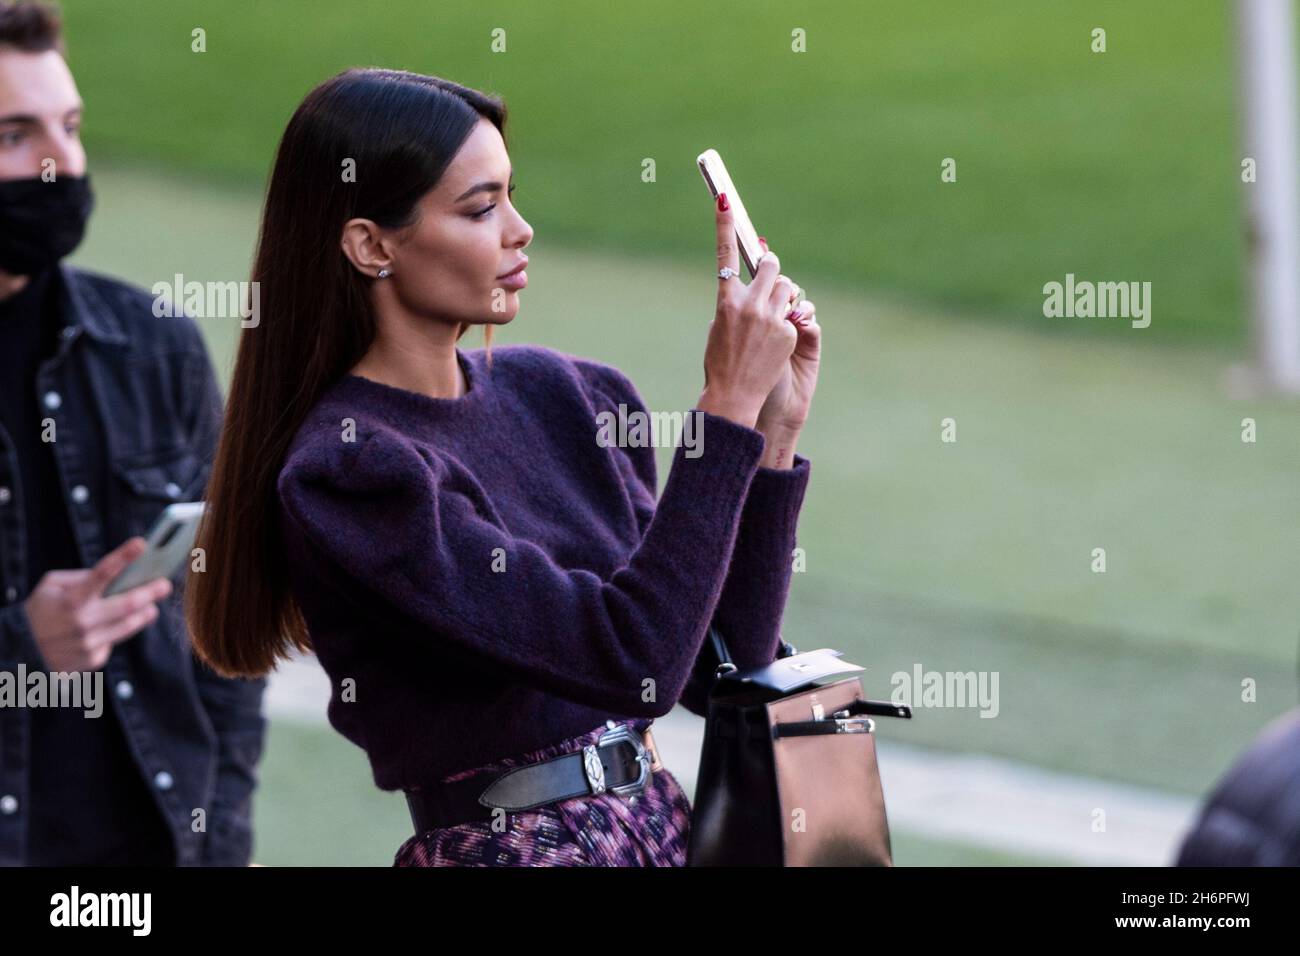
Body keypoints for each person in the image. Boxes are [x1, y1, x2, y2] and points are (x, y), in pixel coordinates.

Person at [186, 67, 821, 866]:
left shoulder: (571, 394)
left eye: (511, 196)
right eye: (482, 208)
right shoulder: (352, 474)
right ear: (370, 244)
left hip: (660, 830)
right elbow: (634, 661)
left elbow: (718, 663)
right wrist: (723, 405)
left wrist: (770, 430)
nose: (521, 229)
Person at [0, 0, 266, 866]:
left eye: (68, 126)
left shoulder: (156, 348)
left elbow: (226, 632)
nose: (62, 163)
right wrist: (19, 645)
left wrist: (219, 839)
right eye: (16, 136)